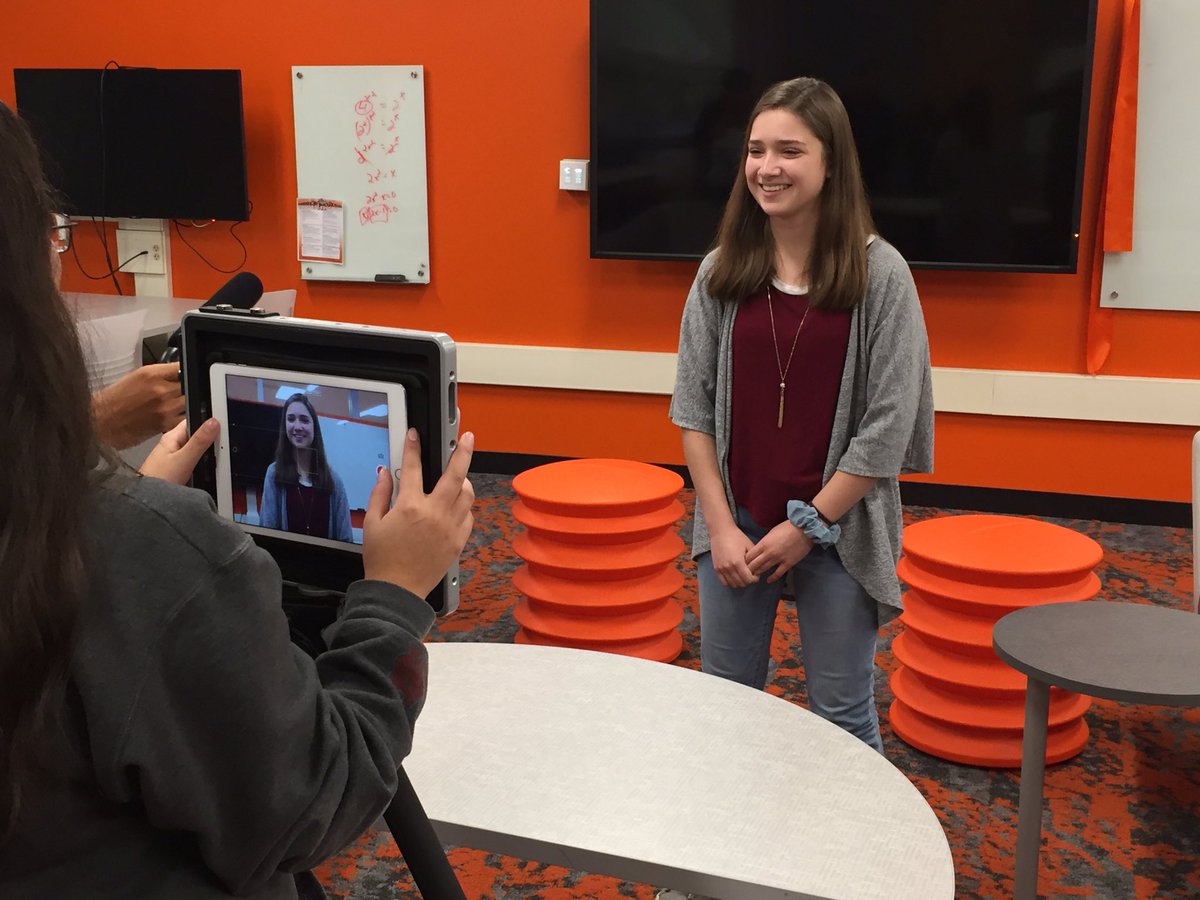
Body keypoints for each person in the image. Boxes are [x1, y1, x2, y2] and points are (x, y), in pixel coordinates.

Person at [0, 101, 476, 898]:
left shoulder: (124, 541)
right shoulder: (147, 551)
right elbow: (311, 804)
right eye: (53, 234)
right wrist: (393, 598)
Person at [669, 77, 934, 752]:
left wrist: (809, 526)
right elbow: (692, 409)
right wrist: (720, 526)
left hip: (842, 530)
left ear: (831, 163)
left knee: (841, 715)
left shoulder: (882, 276)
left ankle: (856, 856)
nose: (767, 167)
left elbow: (888, 425)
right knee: (726, 704)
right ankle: (732, 849)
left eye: (789, 150)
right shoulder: (720, 272)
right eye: (756, 150)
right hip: (737, 522)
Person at [259, 393, 353, 541]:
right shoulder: (274, 474)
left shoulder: (334, 481)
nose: (297, 426)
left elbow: (345, 539)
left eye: (304, 420)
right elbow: (268, 531)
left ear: (314, 427)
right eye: (290, 419)